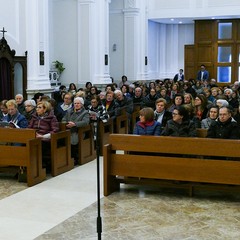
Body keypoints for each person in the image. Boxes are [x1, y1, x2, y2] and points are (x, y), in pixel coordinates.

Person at [28, 101, 59, 171]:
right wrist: (31, 134)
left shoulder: (52, 118)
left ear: (45, 109)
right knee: (24, 144)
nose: (37, 109)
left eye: (39, 107)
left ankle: (39, 167)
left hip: (45, 139)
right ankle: (27, 167)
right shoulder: (34, 117)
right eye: (36, 107)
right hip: (34, 137)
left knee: (38, 145)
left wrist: (43, 136)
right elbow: (29, 127)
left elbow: (55, 130)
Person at [62, 97, 90, 164]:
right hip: (68, 130)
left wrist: (75, 124)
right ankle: (64, 158)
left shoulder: (85, 112)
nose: (76, 105)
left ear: (82, 104)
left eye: (78, 103)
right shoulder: (69, 111)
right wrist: (66, 123)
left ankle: (74, 158)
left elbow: (85, 122)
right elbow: (63, 119)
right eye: (75, 103)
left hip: (78, 131)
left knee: (73, 139)